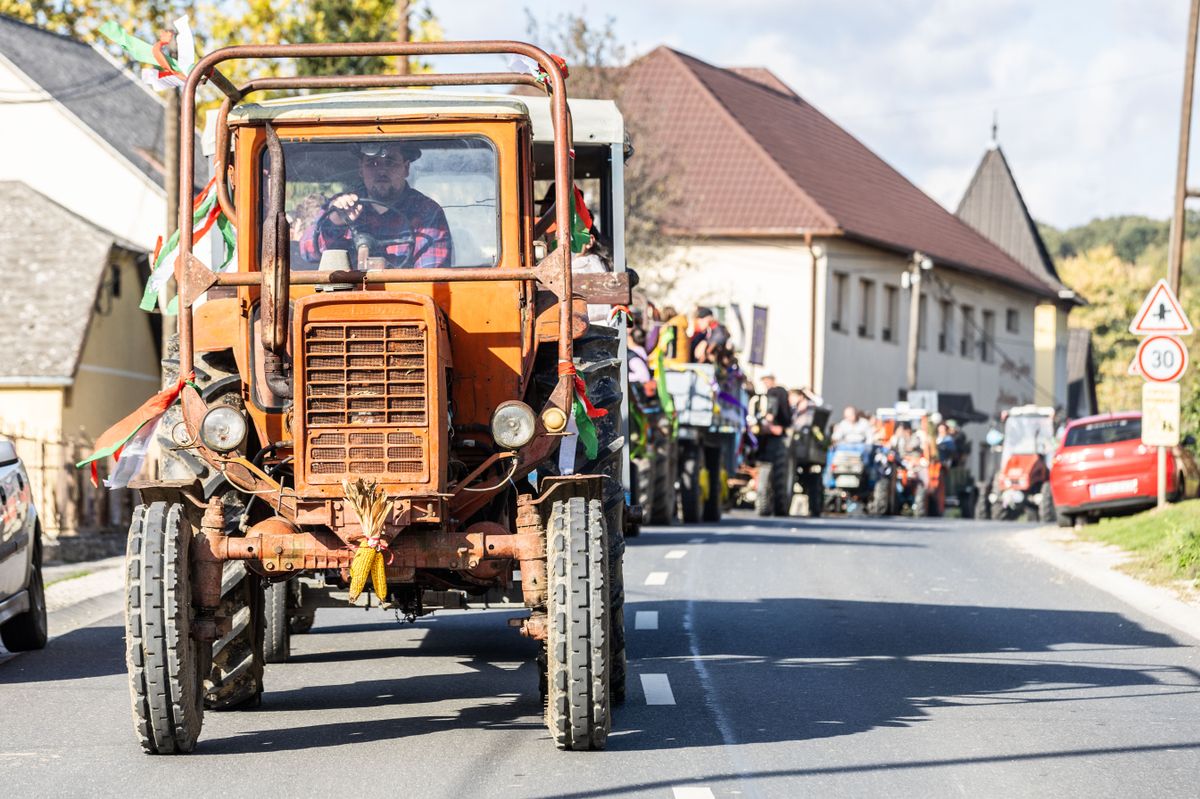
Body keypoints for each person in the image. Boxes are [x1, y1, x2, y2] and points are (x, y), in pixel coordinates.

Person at [300, 141, 452, 269]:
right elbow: (308, 252)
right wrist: (335, 222)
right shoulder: (339, 207)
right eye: (372, 163)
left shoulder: (427, 213)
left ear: (406, 168)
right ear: (361, 169)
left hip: (404, 301)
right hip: (344, 299)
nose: (381, 171)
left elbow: (431, 278)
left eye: (390, 162)